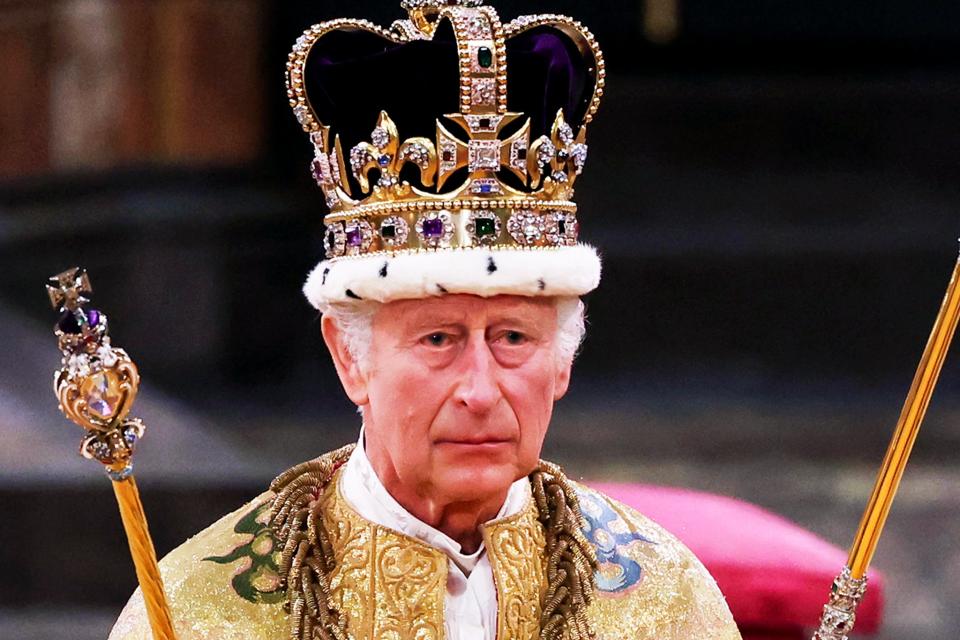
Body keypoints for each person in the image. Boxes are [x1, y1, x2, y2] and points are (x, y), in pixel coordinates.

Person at [110, 1, 742, 638]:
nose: (480, 390)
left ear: (562, 362)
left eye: (514, 338)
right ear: (350, 357)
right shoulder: (200, 612)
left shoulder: (664, 602)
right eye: (439, 339)